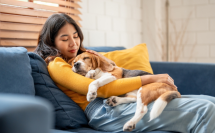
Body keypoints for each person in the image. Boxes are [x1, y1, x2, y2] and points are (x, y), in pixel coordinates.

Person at [34, 13, 215, 133]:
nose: (73, 43)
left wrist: (101, 60)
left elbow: (116, 72)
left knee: (210, 100)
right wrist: (152, 78)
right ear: (51, 43)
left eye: (75, 36)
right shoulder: (56, 64)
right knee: (206, 110)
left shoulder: (85, 57)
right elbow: (101, 90)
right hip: (103, 110)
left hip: (122, 99)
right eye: (65, 39)